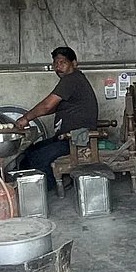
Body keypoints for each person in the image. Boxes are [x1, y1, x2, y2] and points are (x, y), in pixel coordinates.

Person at [16, 47, 99, 189]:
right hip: (67, 137)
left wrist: (26, 118)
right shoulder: (75, 78)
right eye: (56, 63)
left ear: (74, 63)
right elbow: (54, 107)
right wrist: (37, 113)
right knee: (30, 151)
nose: (58, 67)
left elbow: (47, 106)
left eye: (63, 62)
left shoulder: (71, 80)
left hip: (76, 140)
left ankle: (51, 187)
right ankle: (52, 183)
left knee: (35, 158)